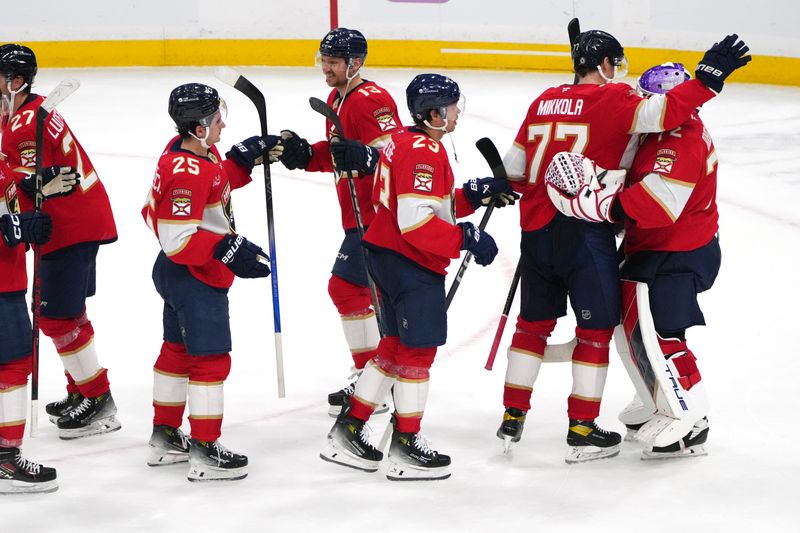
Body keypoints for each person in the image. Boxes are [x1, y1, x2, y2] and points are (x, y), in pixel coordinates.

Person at [497, 31, 750, 463]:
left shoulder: (546, 101)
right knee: (613, 330)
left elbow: (516, 173)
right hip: (613, 238)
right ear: (606, 65)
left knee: (648, 333)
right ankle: (617, 413)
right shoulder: (627, 110)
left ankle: (514, 415)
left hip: (588, 237)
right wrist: (707, 81)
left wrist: (598, 204)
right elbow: (659, 117)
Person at [320, 73, 515, 480]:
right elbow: (416, 222)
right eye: (452, 106)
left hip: (384, 255)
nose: (457, 112)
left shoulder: (404, 141)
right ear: (434, 112)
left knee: (392, 345)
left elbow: (421, 204)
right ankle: (406, 444)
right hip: (409, 262)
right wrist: (466, 236)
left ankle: (350, 428)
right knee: (417, 352)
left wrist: (471, 195)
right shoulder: (425, 154)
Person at [548, 60, 737, 459]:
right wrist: (598, 178)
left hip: (676, 252)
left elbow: (657, 204)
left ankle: (690, 416)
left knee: (663, 333)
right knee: (631, 329)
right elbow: (633, 179)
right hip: (652, 247)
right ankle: (656, 397)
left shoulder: (680, 139)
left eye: (651, 99)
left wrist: (596, 205)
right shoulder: (659, 134)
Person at [141, 83, 280, 481]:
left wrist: (243, 159)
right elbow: (176, 238)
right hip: (193, 275)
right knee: (211, 359)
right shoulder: (186, 172)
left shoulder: (191, 152)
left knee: (176, 351)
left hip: (180, 275)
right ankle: (204, 450)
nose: (223, 123)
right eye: (217, 118)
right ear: (198, 128)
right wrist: (228, 248)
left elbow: (213, 182)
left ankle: (165, 437)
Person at [276, 28, 401, 416]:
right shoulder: (338, 96)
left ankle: (372, 380)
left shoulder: (372, 101)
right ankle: (378, 375)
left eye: (333, 62)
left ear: (355, 64)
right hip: (356, 214)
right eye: (323, 60)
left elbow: (399, 160)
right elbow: (339, 155)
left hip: (380, 215)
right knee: (363, 294)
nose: (325, 68)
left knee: (346, 288)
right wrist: (304, 154)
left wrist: (365, 158)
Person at [0, 43, 120, 440]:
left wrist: (31, 185)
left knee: (56, 317)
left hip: (67, 227)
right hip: (81, 220)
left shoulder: (22, 125)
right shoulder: (27, 111)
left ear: (16, 82)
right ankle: (80, 391)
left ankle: (98, 401)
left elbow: (31, 185)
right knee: (66, 312)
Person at [0, 158, 62, 494]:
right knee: (12, 366)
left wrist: (27, 190)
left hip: (8, 279)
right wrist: (16, 228)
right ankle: (5, 458)